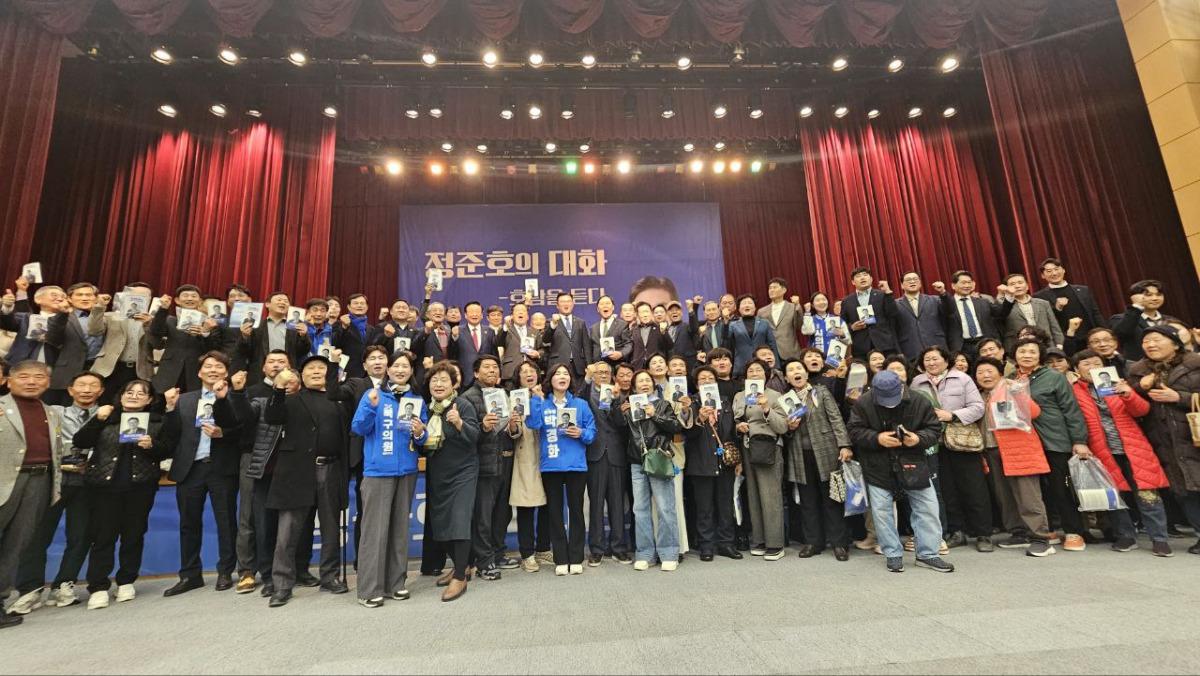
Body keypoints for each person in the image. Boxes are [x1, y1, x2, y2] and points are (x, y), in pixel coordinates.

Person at [72, 379, 177, 609]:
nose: (134, 396)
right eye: (129, 392)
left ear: (150, 399)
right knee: (103, 537)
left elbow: (168, 449)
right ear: (120, 396)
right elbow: (80, 441)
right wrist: (97, 419)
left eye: (141, 393)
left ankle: (126, 580)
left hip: (140, 487)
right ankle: (98, 586)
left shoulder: (158, 422)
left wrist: (152, 445)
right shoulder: (106, 416)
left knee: (134, 535)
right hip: (104, 487)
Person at [9, 372, 102, 615]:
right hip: (52, 480)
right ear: (70, 390)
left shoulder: (108, 415)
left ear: (101, 391)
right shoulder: (52, 412)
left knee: (80, 535)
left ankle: (64, 585)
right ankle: (30, 589)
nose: (87, 389)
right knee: (36, 535)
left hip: (88, 483)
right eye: (81, 384)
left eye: (93, 385)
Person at [262, 356, 350, 607]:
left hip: (331, 469)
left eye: (322, 368)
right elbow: (272, 416)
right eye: (311, 368)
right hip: (296, 471)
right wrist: (279, 387)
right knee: (287, 532)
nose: (316, 371)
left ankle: (330, 577)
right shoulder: (291, 400)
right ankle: (282, 585)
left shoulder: (339, 402)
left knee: (331, 529)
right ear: (301, 375)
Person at [847, 370, 951, 573]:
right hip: (877, 463)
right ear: (874, 391)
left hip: (914, 461)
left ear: (902, 386)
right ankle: (893, 554)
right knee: (882, 511)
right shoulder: (864, 403)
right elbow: (854, 431)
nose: (889, 403)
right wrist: (877, 438)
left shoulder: (919, 401)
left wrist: (918, 439)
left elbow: (934, 428)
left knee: (928, 507)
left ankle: (928, 554)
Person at [1072, 349, 1173, 556]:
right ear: (1076, 369)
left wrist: (1128, 395)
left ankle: (1159, 538)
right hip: (1101, 450)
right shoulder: (1074, 391)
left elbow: (1142, 410)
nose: (1092, 368)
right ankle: (1125, 535)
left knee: (1147, 492)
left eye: (1096, 363)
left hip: (1133, 447)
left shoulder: (1119, 384)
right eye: (1086, 364)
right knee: (1114, 495)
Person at [162, 351, 243, 597]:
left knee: (226, 522)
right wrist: (169, 408)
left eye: (218, 366)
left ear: (226, 373)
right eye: (208, 366)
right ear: (199, 372)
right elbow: (170, 436)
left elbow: (244, 431)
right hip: (190, 468)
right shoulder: (184, 399)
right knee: (188, 524)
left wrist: (223, 434)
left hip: (222, 468)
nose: (213, 370)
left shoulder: (236, 397)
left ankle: (225, 571)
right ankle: (190, 575)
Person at [351, 351, 427, 607]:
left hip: (407, 471)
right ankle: (369, 589)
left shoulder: (416, 399)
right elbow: (358, 428)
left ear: (411, 371)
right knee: (374, 532)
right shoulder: (373, 395)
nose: (400, 370)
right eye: (396, 366)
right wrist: (370, 407)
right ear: (388, 369)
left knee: (399, 530)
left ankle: (396, 584)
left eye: (406, 366)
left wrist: (420, 432)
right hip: (378, 472)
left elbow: (424, 438)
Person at [0, 361, 65, 630]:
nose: (31, 382)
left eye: (38, 377)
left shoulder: (52, 412)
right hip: (5, 481)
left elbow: (57, 452)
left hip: (39, 481)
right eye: (24, 377)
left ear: (47, 383)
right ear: (8, 381)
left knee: (16, 545)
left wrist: (55, 486)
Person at [1012, 337, 1091, 552]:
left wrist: (1079, 440)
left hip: (1054, 440)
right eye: (1022, 351)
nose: (1027, 355)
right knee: (1039, 490)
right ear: (1014, 356)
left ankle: (1074, 531)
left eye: (1032, 351)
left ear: (1040, 356)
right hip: (1026, 442)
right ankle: (1050, 529)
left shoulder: (1053, 377)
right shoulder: (1011, 379)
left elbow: (1071, 410)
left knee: (1061, 488)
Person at [973, 357, 1056, 557]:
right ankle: (1019, 533)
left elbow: (1034, 412)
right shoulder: (979, 396)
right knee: (1005, 497)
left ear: (1000, 373)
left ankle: (1041, 539)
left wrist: (1019, 392)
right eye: (980, 372)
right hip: (992, 451)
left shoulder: (1012, 388)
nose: (985, 376)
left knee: (1028, 497)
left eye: (990, 371)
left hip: (1019, 450)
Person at [1127, 326, 1200, 554]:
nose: (1150, 345)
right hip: (1164, 440)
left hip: (1194, 435)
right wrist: (1139, 387)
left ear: (1175, 344)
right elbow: (1129, 404)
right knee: (1186, 490)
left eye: (1157, 340)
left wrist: (1180, 397)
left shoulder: (1195, 364)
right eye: (1146, 341)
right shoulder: (1138, 371)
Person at [910, 346, 990, 551]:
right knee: (947, 490)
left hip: (961, 440)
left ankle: (983, 534)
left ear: (946, 361)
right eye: (927, 359)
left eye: (935, 359)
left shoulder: (962, 379)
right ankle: (957, 531)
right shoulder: (917, 382)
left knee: (974, 488)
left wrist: (952, 415)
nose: (931, 363)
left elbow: (978, 407)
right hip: (935, 443)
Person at [778, 359, 854, 561]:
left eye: (799, 368)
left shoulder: (821, 392)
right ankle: (813, 542)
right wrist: (789, 428)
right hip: (799, 455)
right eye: (791, 370)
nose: (796, 372)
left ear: (806, 374)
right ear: (786, 378)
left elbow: (836, 418)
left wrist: (844, 445)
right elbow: (784, 432)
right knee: (808, 501)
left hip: (826, 451)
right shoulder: (785, 400)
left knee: (832, 499)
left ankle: (839, 543)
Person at [526, 363, 597, 575]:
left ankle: (576, 557)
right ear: (551, 379)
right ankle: (560, 558)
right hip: (551, 465)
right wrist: (536, 399)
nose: (562, 377)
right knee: (554, 513)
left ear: (570, 380)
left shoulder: (580, 404)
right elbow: (533, 424)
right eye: (558, 374)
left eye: (566, 374)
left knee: (576, 511)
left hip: (576, 465)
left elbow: (592, 431)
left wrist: (581, 433)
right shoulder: (542, 403)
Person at [422, 361, 481, 601]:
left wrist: (459, 423)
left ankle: (459, 577)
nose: (438, 384)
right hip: (439, 472)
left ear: (454, 384)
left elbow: (475, 436)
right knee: (441, 523)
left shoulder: (462, 405)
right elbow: (422, 443)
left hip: (463, 472)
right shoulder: (427, 409)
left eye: (444, 380)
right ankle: (462, 565)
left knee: (460, 521)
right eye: (434, 380)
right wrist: (418, 434)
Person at [616, 368, 684, 570]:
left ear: (654, 385)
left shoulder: (662, 404)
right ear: (634, 387)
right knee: (640, 509)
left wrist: (655, 415)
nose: (644, 384)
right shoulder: (629, 406)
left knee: (665, 507)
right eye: (640, 381)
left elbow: (676, 427)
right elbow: (618, 428)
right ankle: (645, 553)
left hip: (658, 457)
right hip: (636, 460)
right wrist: (619, 412)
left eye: (648, 380)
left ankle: (669, 553)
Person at [458, 354, 511, 580]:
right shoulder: (467, 398)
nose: (492, 371)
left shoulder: (504, 394)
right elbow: (465, 435)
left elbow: (509, 432)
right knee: (483, 517)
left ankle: (497, 553)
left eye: (495, 367)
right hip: (481, 466)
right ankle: (484, 561)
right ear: (476, 373)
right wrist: (483, 427)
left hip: (503, 461)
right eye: (487, 367)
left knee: (500, 514)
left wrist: (513, 426)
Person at [682, 366, 740, 561]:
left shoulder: (725, 401)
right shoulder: (691, 403)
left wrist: (738, 459)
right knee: (704, 507)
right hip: (701, 461)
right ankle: (706, 545)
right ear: (697, 384)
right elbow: (688, 433)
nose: (707, 381)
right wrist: (699, 418)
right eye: (702, 379)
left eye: (710, 378)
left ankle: (726, 543)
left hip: (724, 461)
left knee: (725, 504)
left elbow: (731, 432)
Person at [732, 359, 788, 560]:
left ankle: (775, 543)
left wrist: (766, 409)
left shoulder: (775, 395)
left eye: (758, 370)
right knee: (753, 495)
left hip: (768, 447)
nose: (754, 373)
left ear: (766, 375)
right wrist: (738, 427)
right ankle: (759, 540)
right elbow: (734, 420)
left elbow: (783, 426)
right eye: (750, 370)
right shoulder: (740, 396)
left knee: (770, 495)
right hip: (748, 447)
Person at [584, 361, 631, 565]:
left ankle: (619, 548)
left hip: (616, 454)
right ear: (593, 375)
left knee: (617, 504)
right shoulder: (586, 395)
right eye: (599, 372)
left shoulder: (619, 396)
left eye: (606, 372)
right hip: (594, 454)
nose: (603, 375)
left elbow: (621, 424)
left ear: (611, 376)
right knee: (596, 504)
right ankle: (596, 549)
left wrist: (616, 401)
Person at [506, 361, 552, 571]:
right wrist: (513, 425)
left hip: (547, 456)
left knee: (548, 505)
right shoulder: (512, 399)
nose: (529, 374)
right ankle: (527, 554)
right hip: (525, 456)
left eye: (532, 370)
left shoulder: (547, 397)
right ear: (518, 377)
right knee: (526, 506)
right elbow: (511, 432)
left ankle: (543, 548)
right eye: (523, 371)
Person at [87, 284, 156, 402]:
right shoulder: (112, 316)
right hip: (109, 368)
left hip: (139, 370)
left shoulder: (155, 320)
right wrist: (99, 306)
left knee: (134, 404)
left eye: (145, 296)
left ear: (150, 299)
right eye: (136, 295)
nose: (139, 298)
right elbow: (94, 330)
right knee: (104, 403)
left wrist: (149, 324)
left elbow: (159, 344)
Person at [150, 285, 220, 394]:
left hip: (196, 372)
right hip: (169, 371)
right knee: (162, 401)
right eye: (185, 295)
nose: (190, 299)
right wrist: (163, 309)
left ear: (200, 301)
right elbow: (156, 331)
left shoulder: (210, 323)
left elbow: (214, 348)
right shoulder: (170, 320)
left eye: (194, 296)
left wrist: (205, 332)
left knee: (191, 401)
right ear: (177, 300)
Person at [938, 271, 1011, 360]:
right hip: (962, 346)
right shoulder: (948, 304)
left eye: (969, 282)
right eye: (963, 283)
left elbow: (1001, 313)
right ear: (953, 285)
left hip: (984, 344)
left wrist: (1009, 297)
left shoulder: (983, 302)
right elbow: (946, 309)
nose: (967, 285)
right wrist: (943, 292)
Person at [241, 291, 311, 381]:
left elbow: (303, 351)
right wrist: (245, 336)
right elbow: (244, 351)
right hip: (259, 374)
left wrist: (303, 336)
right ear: (267, 304)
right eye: (279, 300)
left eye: (286, 301)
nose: (283, 302)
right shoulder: (256, 325)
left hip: (287, 374)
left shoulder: (295, 327)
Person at [1034, 257, 1108, 335]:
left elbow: (1095, 314)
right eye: (1049, 271)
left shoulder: (1083, 290)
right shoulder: (1039, 297)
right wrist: (1057, 308)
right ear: (1043, 275)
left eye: (1056, 269)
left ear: (1063, 270)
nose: (1054, 273)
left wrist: (1106, 332)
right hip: (1064, 339)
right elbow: (1044, 322)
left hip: (1090, 336)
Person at [840, 268, 901, 355]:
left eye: (865, 275)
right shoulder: (847, 301)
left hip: (885, 344)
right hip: (860, 347)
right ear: (853, 282)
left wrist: (888, 291)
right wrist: (852, 327)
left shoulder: (882, 295)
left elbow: (893, 314)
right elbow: (842, 324)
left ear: (871, 279)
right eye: (858, 276)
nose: (862, 278)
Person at [999, 273, 1064, 352]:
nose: (1017, 286)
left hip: (1046, 345)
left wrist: (1060, 344)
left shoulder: (1043, 303)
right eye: (1012, 284)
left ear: (1027, 286)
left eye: (1020, 282)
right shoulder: (1004, 306)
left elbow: (1054, 326)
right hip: (1018, 347)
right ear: (1006, 288)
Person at [894, 271, 950, 361]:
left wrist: (943, 293)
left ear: (920, 283)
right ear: (902, 285)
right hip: (911, 352)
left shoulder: (935, 300)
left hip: (937, 348)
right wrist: (898, 351)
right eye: (908, 280)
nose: (912, 281)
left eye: (915, 279)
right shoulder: (895, 305)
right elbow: (893, 329)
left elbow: (949, 310)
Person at [1112, 280, 1173, 362]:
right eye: (1149, 295)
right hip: (1140, 366)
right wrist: (1136, 306)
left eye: (1159, 295)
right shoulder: (1120, 319)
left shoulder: (1170, 320)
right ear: (1135, 297)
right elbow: (1122, 333)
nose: (1155, 298)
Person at [727, 295, 778, 375]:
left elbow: (772, 344)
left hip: (762, 365)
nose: (747, 305)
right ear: (739, 308)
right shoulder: (732, 324)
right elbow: (725, 337)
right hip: (741, 365)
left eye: (750, 303)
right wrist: (725, 322)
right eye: (743, 303)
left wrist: (776, 365)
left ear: (755, 308)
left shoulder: (764, 323)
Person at [453, 301, 498, 390]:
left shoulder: (490, 331)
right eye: (471, 312)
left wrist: (498, 375)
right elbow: (452, 353)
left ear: (481, 315)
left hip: (486, 377)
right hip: (465, 377)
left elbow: (494, 355)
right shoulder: (457, 331)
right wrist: (454, 337)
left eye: (477, 312)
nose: (474, 314)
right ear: (466, 315)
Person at [757, 278, 804, 361]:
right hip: (769, 353)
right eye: (770, 288)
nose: (771, 290)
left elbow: (799, 325)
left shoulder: (792, 307)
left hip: (789, 351)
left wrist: (797, 306)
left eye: (774, 287)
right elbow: (759, 333)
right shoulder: (762, 311)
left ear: (784, 290)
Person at [495, 301, 541, 382]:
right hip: (511, 372)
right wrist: (505, 327)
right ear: (512, 316)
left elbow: (542, 349)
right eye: (517, 310)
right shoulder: (506, 330)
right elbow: (498, 342)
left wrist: (538, 354)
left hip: (530, 373)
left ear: (527, 316)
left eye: (523, 311)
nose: (520, 312)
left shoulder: (535, 332)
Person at [333, 293, 377, 379]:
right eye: (356, 303)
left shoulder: (371, 328)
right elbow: (335, 343)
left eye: (362, 303)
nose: (359, 306)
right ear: (348, 307)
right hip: (347, 370)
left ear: (367, 307)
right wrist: (344, 327)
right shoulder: (339, 324)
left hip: (367, 372)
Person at [628, 302, 673, 370]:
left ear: (651, 313)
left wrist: (664, 332)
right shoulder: (633, 330)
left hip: (655, 366)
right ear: (637, 315)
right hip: (638, 367)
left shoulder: (659, 328)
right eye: (642, 312)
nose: (645, 315)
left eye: (647, 311)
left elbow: (670, 346)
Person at [590, 295, 631, 367]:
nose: (605, 306)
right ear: (598, 309)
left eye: (607, 303)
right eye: (602, 304)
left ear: (613, 307)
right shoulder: (593, 328)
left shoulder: (622, 325)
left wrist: (621, 353)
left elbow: (628, 344)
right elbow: (590, 348)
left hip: (616, 366)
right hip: (598, 367)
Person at [800, 292, 845, 356]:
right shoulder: (810, 319)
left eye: (824, 299)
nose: (821, 302)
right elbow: (808, 331)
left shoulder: (836, 319)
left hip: (834, 357)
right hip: (816, 357)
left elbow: (846, 339)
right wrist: (807, 312)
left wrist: (842, 335)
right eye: (818, 300)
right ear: (812, 305)